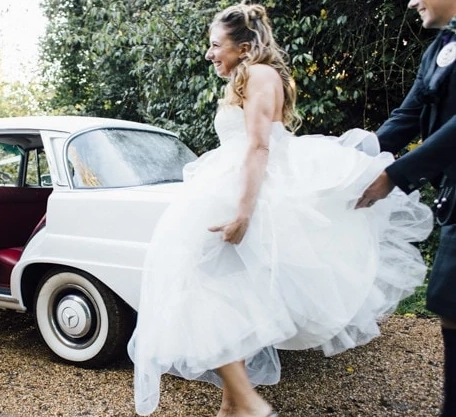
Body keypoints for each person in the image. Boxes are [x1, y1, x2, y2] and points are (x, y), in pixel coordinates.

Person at [127, 3, 434, 417]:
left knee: (197, 289)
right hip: (235, 182)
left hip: (243, 190)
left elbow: (258, 145)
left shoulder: (256, 75)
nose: (209, 53)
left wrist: (243, 213)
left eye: (216, 45)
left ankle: (248, 403)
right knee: (229, 290)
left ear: (244, 45)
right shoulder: (256, 75)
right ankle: (232, 405)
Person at [356, 0, 456, 415]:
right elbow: (409, 114)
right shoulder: (438, 48)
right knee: (449, 301)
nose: (413, 2)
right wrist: (353, 161)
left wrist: (395, 175)